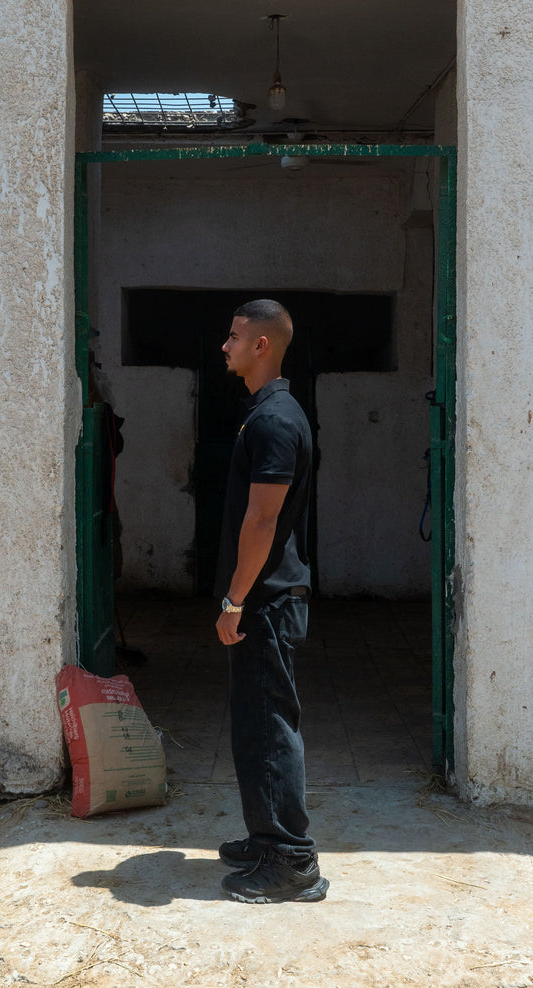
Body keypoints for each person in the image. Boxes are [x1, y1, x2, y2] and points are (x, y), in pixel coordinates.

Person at [213, 299, 328, 904]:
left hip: (266, 602)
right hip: (263, 600)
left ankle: (292, 860)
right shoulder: (262, 414)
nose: (224, 347)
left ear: (262, 345)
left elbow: (262, 521)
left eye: (233, 337)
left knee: (270, 727)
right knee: (254, 726)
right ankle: (267, 836)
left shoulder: (275, 422)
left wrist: (234, 600)